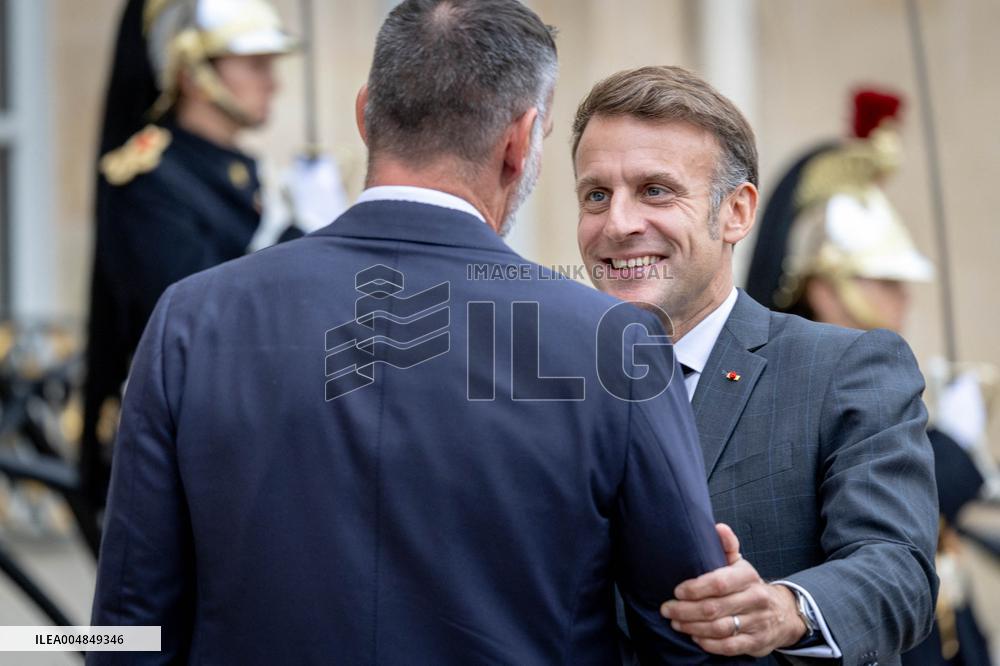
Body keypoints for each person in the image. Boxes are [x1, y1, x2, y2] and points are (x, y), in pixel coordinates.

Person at [90, 3, 738, 664]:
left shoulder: (191, 319)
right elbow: (690, 633)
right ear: (521, 139)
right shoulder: (615, 339)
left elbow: (128, 632)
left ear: (367, 112)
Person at [572, 66, 938, 665]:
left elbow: (899, 571)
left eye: (656, 190)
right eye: (596, 195)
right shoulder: (541, 385)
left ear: (736, 213)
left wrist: (785, 608)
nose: (618, 224)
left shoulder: (843, 368)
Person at [746, 89, 992, 666]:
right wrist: (952, 452)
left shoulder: (872, 372)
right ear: (828, 286)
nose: (903, 299)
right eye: (884, 282)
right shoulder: (786, 388)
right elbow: (883, 526)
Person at [80, 0, 301, 534]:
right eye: (254, 65)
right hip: (184, 445)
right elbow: (196, 315)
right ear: (195, 74)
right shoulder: (147, 177)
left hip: (258, 442)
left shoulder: (249, 175)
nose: (273, 83)